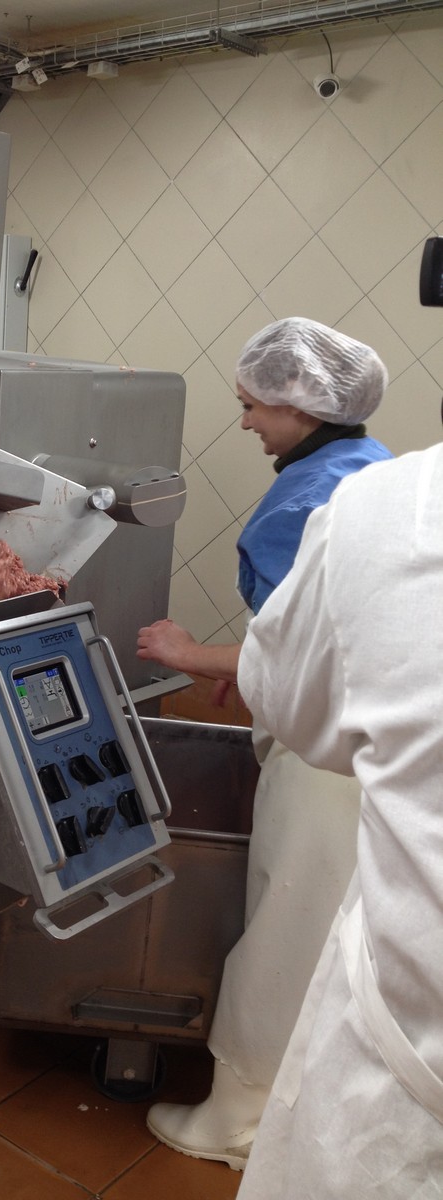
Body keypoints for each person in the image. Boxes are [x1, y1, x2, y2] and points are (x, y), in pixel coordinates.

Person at [137, 317, 392, 1170]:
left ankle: (237, 1120)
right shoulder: (370, 467)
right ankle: (308, 1107)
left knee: (288, 925)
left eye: (252, 405)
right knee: (336, 929)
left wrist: (190, 654)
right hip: (379, 743)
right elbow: (318, 626)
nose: (244, 421)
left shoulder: (306, 499)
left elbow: (309, 648)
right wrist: (252, 666)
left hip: (329, 758)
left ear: (300, 404)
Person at [235, 442, 443, 1197]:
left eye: (253, 402)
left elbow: (289, 696)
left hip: (405, 1063)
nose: (246, 421)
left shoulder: (379, 504)